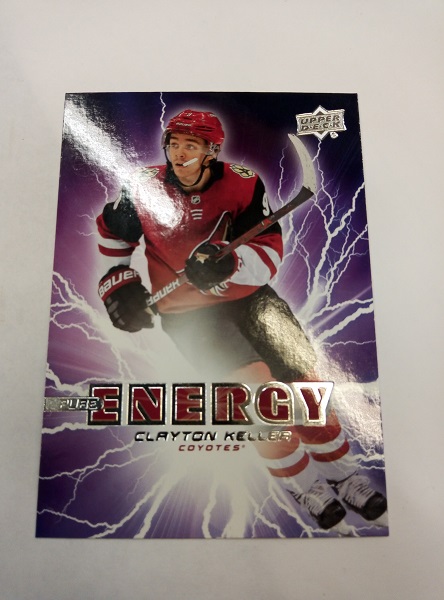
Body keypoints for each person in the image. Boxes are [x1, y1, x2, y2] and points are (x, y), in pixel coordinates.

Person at [96, 109, 387, 531]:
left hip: (253, 300)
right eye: (173, 144)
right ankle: (306, 486)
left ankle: (345, 477)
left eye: (190, 145)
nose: (179, 154)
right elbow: (113, 237)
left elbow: (269, 250)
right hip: (188, 315)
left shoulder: (243, 182)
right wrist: (118, 283)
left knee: (306, 389)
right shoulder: (141, 186)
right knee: (258, 395)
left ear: (212, 152)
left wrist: (230, 263)